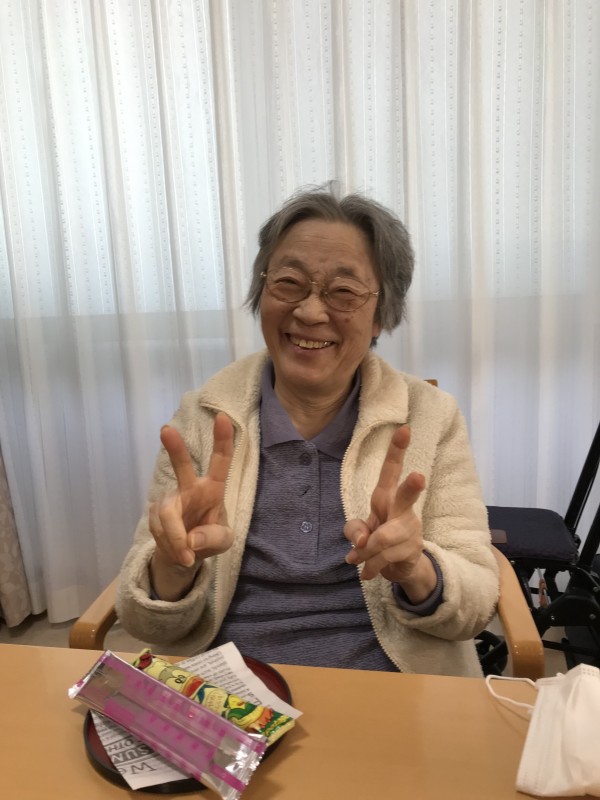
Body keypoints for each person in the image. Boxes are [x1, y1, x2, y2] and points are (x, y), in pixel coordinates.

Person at [116, 185, 499, 677]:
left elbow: (477, 602)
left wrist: (415, 568)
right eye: (289, 283)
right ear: (262, 291)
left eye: (344, 292)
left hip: (393, 690)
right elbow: (144, 621)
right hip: (230, 694)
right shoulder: (203, 419)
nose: (310, 312)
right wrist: (173, 564)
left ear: (382, 314)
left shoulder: (430, 418)